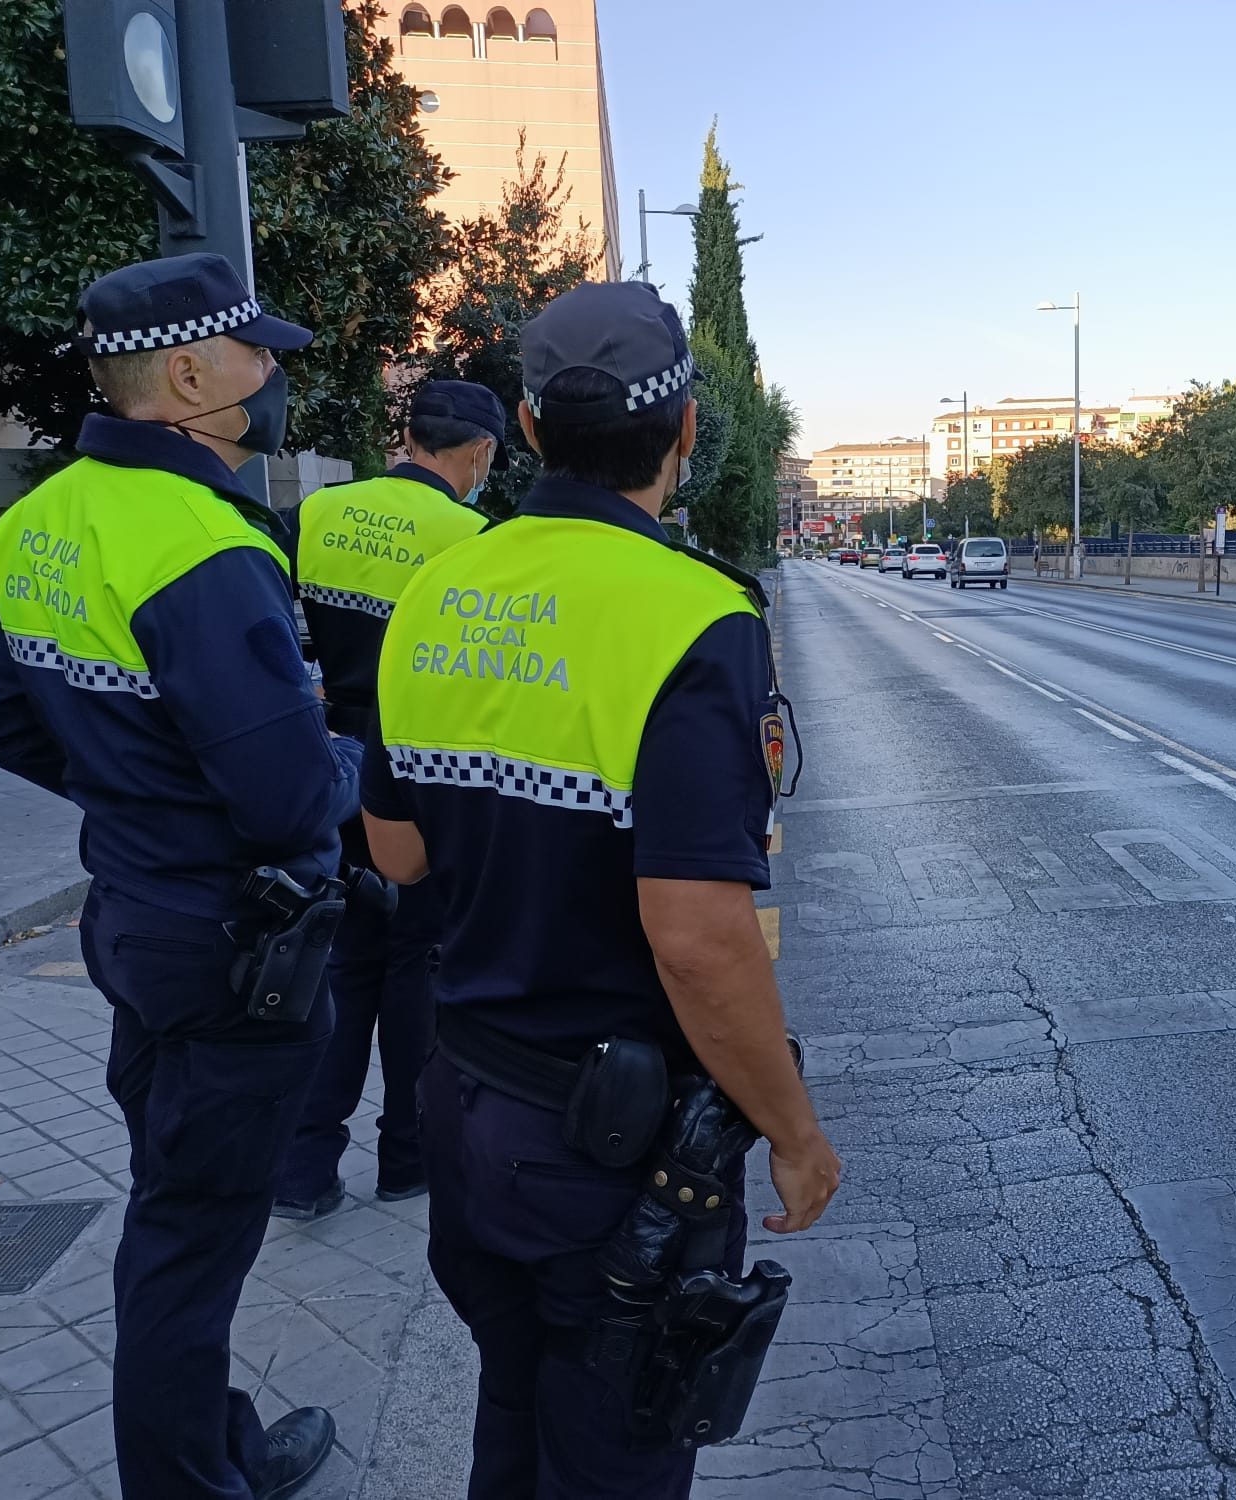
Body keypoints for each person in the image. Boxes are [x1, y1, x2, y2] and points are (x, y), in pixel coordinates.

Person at [359, 281, 842, 1498]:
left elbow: (396, 854)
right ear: (685, 431)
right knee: (615, 1456)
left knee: (514, 1427)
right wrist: (793, 1132)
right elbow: (694, 940)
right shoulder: (694, 617)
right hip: (607, 1161)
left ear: (526, 430)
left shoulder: (435, 592)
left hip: (466, 1108)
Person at [0, 253, 360, 1499]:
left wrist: (131, 802)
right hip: (235, 942)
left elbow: (5, 727)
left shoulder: (34, 522)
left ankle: (209, 1438)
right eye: (260, 354)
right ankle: (190, 1480)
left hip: (136, 920)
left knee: (173, 1201)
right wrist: (348, 759)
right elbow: (289, 795)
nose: (276, 375)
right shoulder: (199, 539)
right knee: (190, 1238)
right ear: (189, 375)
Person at [272, 381, 499, 1219]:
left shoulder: (320, 515)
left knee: (337, 963)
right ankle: (409, 1158)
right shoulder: (476, 538)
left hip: (327, 762)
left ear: (404, 435)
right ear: (478, 454)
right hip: (419, 777)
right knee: (416, 968)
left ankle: (303, 1172)